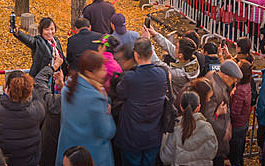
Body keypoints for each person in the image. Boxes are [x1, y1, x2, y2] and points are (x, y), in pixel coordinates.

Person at [55, 51, 115, 166]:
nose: (105, 72)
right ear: (89, 72)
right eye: (101, 69)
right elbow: (107, 131)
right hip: (91, 156)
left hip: (67, 154)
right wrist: (108, 113)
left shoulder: (68, 87)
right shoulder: (96, 97)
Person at [114, 38, 167, 166]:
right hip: (154, 133)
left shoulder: (130, 77)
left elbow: (120, 92)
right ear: (151, 53)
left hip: (132, 135)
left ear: (136, 55)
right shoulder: (161, 74)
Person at [0, 67, 45, 165]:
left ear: (8, 90)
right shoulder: (37, 110)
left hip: (4, 161)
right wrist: (27, 86)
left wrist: (3, 96)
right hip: (29, 161)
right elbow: (37, 99)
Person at [159, 91, 218, 166]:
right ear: (198, 107)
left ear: (181, 107)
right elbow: (213, 152)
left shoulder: (176, 128)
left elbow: (166, 158)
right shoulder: (207, 128)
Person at [204, 60, 243, 165]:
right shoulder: (214, 89)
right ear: (226, 76)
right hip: (215, 139)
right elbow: (208, 117)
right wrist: (224, 128)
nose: (234, 82)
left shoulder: (213, 75)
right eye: (233, 79)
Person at [227, 60, 253, 166]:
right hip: (243, 123)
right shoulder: (247, 84)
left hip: (237, 126)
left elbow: (235, 113)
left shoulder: (240, 90)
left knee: (235, 155)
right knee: (239, 152)